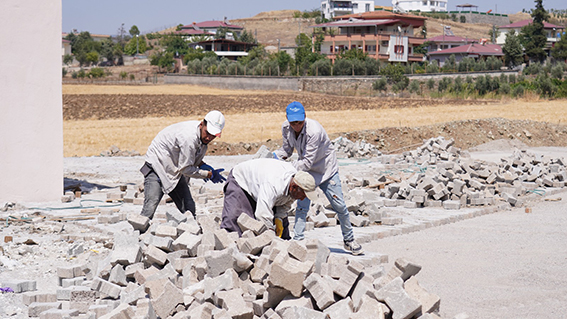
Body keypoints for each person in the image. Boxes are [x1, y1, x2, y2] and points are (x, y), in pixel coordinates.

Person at [273, 101, 363, 255]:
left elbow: (307, 162)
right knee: (301, 207)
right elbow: (287, 150)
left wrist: (286, 168)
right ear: (287, 119)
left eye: (299, 122)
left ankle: (349, 240)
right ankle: (298, 241)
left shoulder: (314, 131)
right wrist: (275, 157)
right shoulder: (286, 128)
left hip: (325, 169)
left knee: (339, 205)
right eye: (293, 122)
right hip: (306, 171)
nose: (296, 126)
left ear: (305, 117)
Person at [140, 110, 226, 219]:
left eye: (213, 135)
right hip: (157, 165)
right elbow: (185, 168)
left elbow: (190, 159)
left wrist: (202, 165)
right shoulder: (189, 138)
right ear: (201, 124)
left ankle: (190, 232)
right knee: (150, 207)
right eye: (207, 133)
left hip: (173, 168)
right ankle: (138, 232)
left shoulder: (202, 140)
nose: (209, 138)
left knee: (189, 208)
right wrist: (207, 174)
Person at [220, 158, 317, 238]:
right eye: (303, 195)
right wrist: (270, 235)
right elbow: (262, 214)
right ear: (294, 188)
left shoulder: (295, 182)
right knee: (234, 219)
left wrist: (279, 218)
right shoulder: (273, 184)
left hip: (263, 185)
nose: (302, 199)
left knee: (283, 228)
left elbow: (286, 202)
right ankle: (229, 250)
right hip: (241, 181)